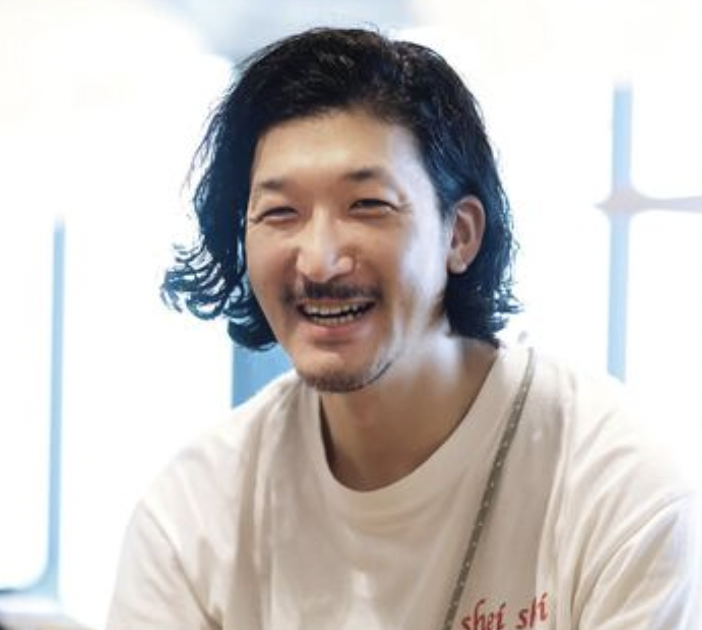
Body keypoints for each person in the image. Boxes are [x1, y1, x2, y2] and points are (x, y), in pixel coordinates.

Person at [106, 27, 700, 630]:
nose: (319, 260)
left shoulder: (614, 487)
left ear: (459, 234)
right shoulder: (192, 516)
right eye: (280, 212)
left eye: (368, 205)